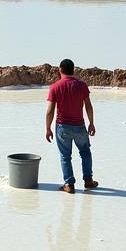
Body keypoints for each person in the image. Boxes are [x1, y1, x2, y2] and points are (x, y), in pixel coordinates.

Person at [45, 58, 97, 193]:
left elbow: (50, 111)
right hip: (79, 126)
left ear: (60, 70)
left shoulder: (55, 87)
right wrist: (91, 123)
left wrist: (48, 128)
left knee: (65, 156)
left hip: (62, 127)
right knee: (85, 153)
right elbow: (88, 106)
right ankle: (88, 181)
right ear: (73, 70)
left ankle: (69, 185)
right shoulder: (82, 86)